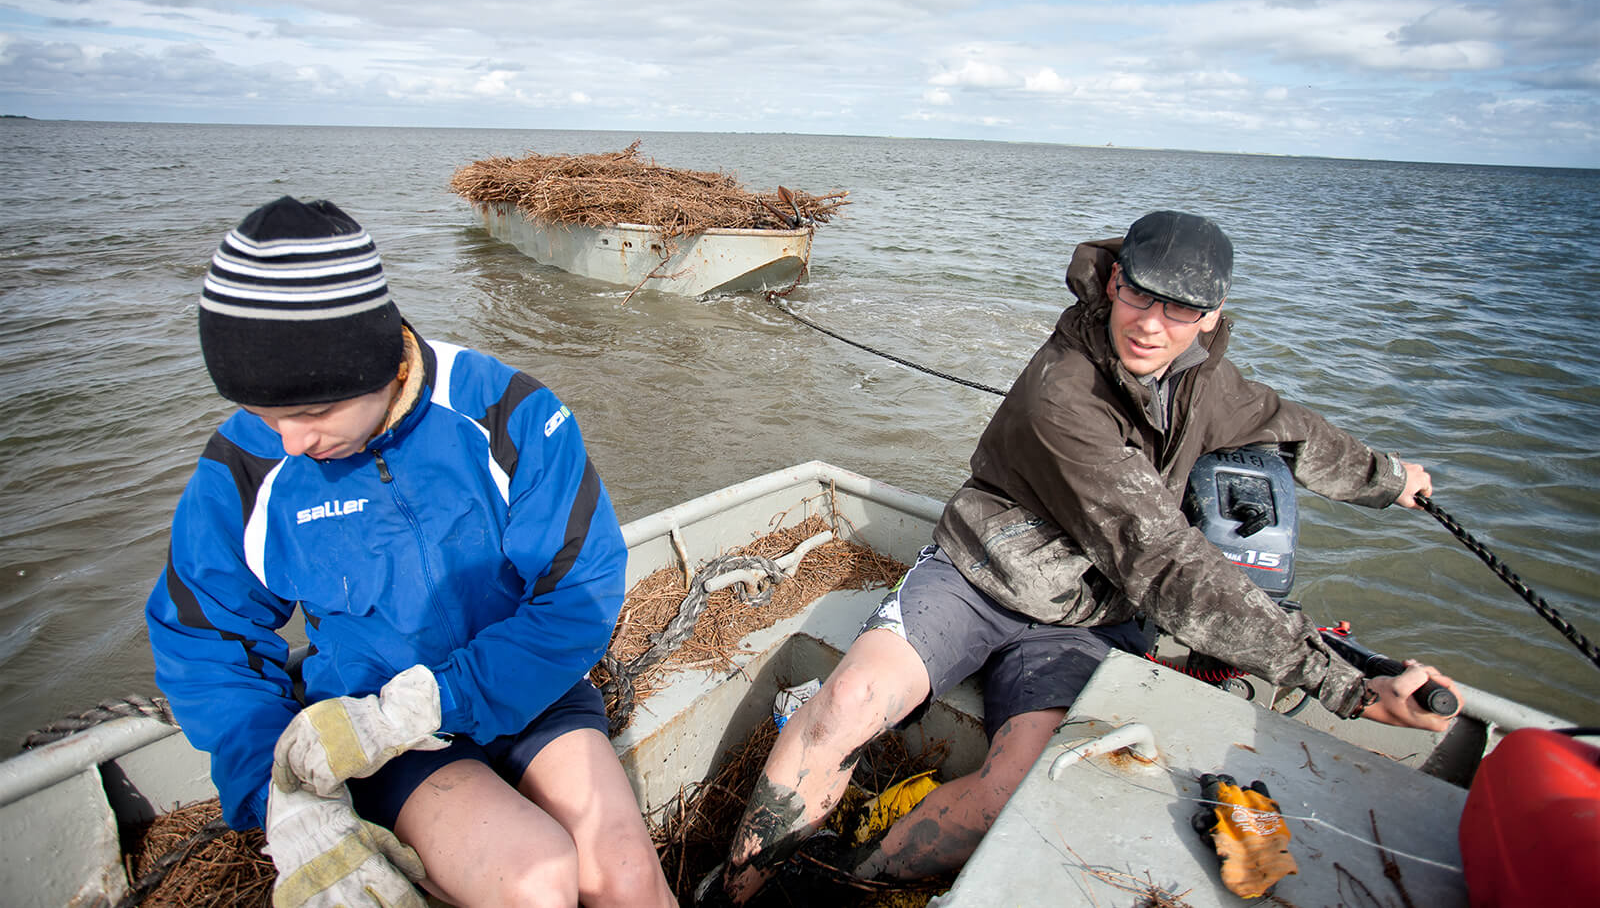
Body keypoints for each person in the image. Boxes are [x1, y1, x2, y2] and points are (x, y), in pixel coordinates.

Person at [713, 210, 1461, 904]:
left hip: (1090, 617)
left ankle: (844, 882)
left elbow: (1289, 429)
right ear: (1113, 281)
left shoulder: (1204, 382)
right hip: (979, 574)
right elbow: (1162, 558)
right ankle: (744, 886)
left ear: (1210, 319)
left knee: (1012, 788)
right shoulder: (1062, 391)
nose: (1152, 324)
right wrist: (1345, 685)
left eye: (1180, 310)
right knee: (843, 704)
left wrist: (1389, 478)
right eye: (1140, 294)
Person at [146, 197, 675, 908]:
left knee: (626, 874)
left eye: (313, 412)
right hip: (378, 735)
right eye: (269, 416)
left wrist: (439, 698)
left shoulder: (501, 410)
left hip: (525, 689)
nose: (293, 442)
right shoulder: (246, 468)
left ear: (379, 360)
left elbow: (578, 587)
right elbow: (207, 639)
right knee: (536, 876)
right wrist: (279, 796)